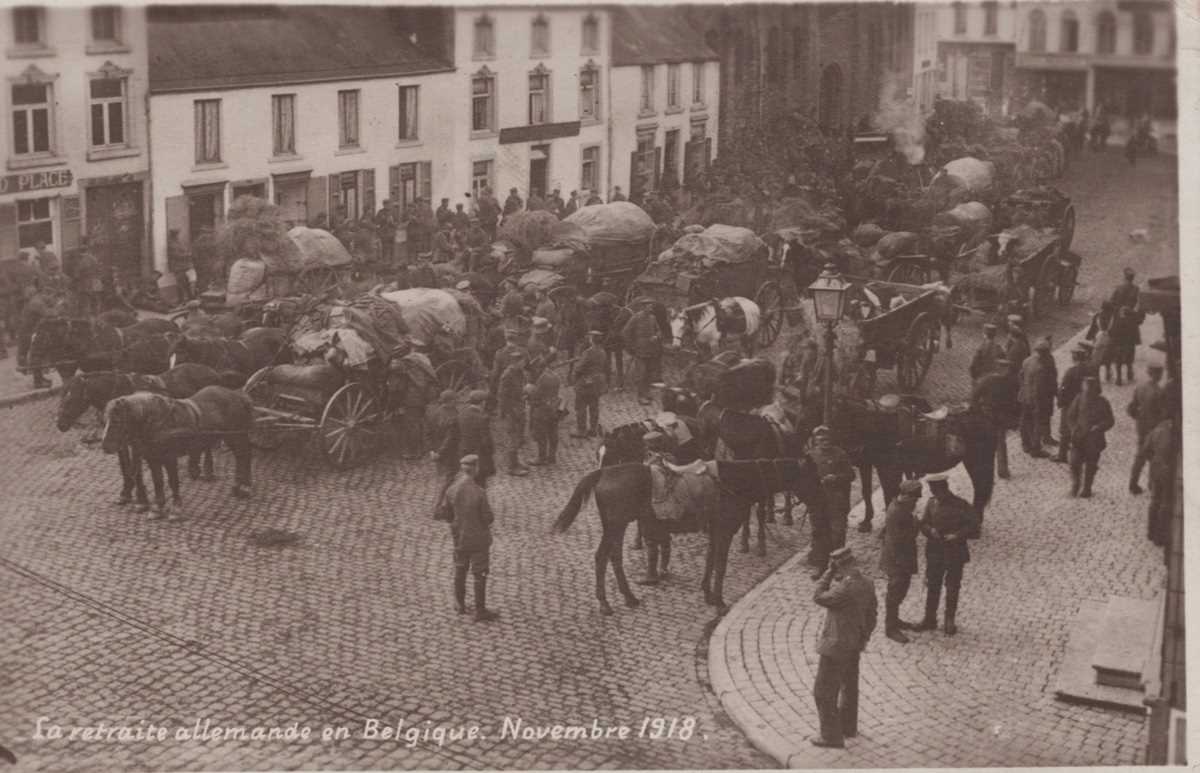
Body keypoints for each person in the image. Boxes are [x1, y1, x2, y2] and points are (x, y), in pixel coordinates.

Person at [810, 546, 877, 749]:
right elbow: (872, 615)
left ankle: (831, 736)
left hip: (836, 646)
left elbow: (818, 596)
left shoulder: (844, 588)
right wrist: (863, 637)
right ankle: (848, 726)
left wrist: (828, 573)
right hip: (854, 644)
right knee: (849, 687)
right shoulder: (867, 584)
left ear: (838, 565)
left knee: (822, 691)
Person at [915, 473, 978, 635]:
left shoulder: (961, 505)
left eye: (935, 490)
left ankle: (949, 620)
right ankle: (930, 619)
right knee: (933, 585)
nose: (934, 494)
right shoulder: (931, 504)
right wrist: (931, 530)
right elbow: (924, 524)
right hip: (935, 552)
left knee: (952, 586)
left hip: (955, 551)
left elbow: (974, 527)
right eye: (932, 490)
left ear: (944, 488)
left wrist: (956, 535)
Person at [446, 454, 500, 621]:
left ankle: (460, 605)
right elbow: (488, 518)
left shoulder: (452, 489)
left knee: (460, 569)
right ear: (475, 469)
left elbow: (447, 514)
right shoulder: (479, 492)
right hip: (478, 540)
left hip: (459, 538)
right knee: (480, 573)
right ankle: (480, 610)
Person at [808, 425, 855, 579]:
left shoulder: (840, 454)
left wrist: (836, 478)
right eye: (821, 439)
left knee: (838, 532)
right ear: (815, 441)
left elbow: (851, 475)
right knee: (818, 532)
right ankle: (819, 565)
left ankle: (838, 566)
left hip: (837, 500)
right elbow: (804, 477)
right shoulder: (810, 455)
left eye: (827, 438)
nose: (825, 442)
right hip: (817, 500)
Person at [880, 479, 922, 644]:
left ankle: (895, 620)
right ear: (906, 495)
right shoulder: (897, 512)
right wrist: (916, 524)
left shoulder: (901, 505)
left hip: (901, 556)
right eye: (915, 498)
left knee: (901, 590)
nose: (916, 501)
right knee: (895, 592)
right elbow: (902, 539)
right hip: (897, 559)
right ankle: (890, 628)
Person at [1064, 376, 1115, 498]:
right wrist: (1074, 428)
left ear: (1095, 389)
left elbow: (1110, 420)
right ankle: (1076, 484)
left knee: (1091, 465)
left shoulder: (1103, 402)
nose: (1087, 390)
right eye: (1085, 387)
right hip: (1079, 437)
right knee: (1074, 462)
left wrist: (1099, 427)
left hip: (1094, 439)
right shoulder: (1079, 399)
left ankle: (1087, 488)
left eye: (1090, 388)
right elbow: (1070, 416)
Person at [971, 357, 1016, 480]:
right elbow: (1013, 400)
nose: (1007, 371)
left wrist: (977, 411)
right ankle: (1003, 470)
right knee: (1001, 442)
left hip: (988, 415)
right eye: (1006, 368)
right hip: (999, 416)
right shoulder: (1009, 382)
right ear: (1001, 369)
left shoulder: (987, 380)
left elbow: (974, 396)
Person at [1135, 414, 1176, 547]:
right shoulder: (1176, 432)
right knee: (1166, 503)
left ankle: (1151, 532)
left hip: (1155, 469)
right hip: (1169, 471)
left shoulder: (1157, 429)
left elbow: (1144, 452)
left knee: (1155, 501)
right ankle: (1160, 536)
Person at [1128, 363, 1166, 494]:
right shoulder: (1159, 392)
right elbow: (1163, 414)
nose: (1161, 376)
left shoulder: (1139, 388)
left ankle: (1133, 484)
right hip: (1154, 429)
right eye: (1160, 373)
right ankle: (1151, 485)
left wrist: (1139, 418)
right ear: (1157, 375)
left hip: (1141, 428)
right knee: (1154, 458)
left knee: (1140, 457)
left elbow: (1131, 408)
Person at [621, 298, 663, 405]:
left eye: (651, 306)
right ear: (643, 307)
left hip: (651, 350)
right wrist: (631, 347)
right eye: (649, 306)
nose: (651, 308)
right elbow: (625, 332)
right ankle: (641, 396)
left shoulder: (653, 318)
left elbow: (659, 330)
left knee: (649, 373)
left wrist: (656, 336)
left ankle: (646, 393)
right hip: (639, 350)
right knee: (641, 373)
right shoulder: (636, 318)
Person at [1018, 337, 1054, 458]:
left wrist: (1024, 388)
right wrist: (1038, 405)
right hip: (1035, 400)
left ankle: (1025, 444)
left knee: (1024, 421)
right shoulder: (1041, 368)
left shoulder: (1027, 361)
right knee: (1037, 423)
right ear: (1044, 352)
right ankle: (1035, 449)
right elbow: (1038, 389)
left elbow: (1021, 376)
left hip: (1024, 396)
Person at [1054, 346, 1090, 463]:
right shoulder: (1090, 370)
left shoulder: (1071, 372)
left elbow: (1063, 389)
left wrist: (1060, 402)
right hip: (1085, 405)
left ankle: (1062, 455)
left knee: (1065, 430)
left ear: (1075, 358)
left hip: (1070, 405)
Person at [498, 349, 530, 476]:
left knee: (518, 438)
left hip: (519, 408)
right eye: (522, 362)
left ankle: (516, 461)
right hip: (512, 411)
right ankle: (511, 467)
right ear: (516, 362)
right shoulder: (507, 375)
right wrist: (506, 413)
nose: (524, 364)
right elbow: (502, 396)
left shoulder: (520, 372)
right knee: (512, 438)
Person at [525, 355, 561, 466]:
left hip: (542, 411)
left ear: (538, 368)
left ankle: (541, 458)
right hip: (554, 409)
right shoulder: (555, 376)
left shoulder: (542, 378)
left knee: (541, 435)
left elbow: (536, 395)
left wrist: (528, 389)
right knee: (553, 433)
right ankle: (552, 457)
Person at [570, 329, 607, 438]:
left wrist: (574, 379)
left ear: (592, 340)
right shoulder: (602, 351)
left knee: (581, 406)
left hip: (586, 383)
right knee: (594, 406)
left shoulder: (588, 352)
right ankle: (593, 429)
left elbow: (579, 369)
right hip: (597, 383)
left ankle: (581, 430)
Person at [455, 390, 496, 483]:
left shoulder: (462, 413)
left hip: (465, 451)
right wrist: (490, 452)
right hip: (479, 455)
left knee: (468, 478)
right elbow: (486, 440)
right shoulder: (482, 417)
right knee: (480, 481)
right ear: (482, 402)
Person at [18, 285, 54, 389]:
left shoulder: (31, 302)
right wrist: (59, 308)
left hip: (27, 332)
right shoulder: (36, 303)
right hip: (30, 333)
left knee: (36, 355)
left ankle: (39, 378)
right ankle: (38, 381)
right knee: (37, 356)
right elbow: (48, 314)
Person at [73, 238, 103, 315]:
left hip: (86, 284)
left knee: (86, 302)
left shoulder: (82, 260)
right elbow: (99, 270)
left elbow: (77, 274)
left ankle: (88, 319)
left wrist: (75, 280)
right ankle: (97, 316)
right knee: (96, 301)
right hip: (96, 282)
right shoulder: (94, 258)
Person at [166, 229, 193, 303]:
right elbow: (176, 255)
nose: (178, 236)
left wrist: (187, 253)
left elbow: (184, 250)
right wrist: (187, 255)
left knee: (186, 282)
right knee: (180, 283)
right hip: (177, 267)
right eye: (177, 235)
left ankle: (189, 298)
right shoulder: (172, 244)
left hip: (183, 266)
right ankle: (181, 300)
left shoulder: (179, 243)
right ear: (174, 235)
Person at [375, 200, 398, 265]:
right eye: (385, 204)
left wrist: (392, 223)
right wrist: (383, 219)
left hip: (392, 233)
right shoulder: (380, 212)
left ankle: (392, 262)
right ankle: (385, 262)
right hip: (384, 233)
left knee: (392, 248)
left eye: (388, 204)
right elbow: (376, 222)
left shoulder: (393, 212)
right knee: (385, 248)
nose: (387, 206)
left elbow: (397, 223)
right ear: (383, 205)